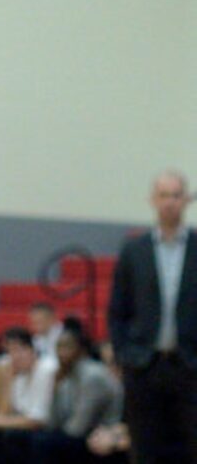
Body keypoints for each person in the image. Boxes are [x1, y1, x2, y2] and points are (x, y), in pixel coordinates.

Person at [108, 169, 197, 464]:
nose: (170, 202)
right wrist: (123, 354)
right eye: (163, 195)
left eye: (176, 195)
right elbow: (118, 309)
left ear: (187, 200)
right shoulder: (135, 250)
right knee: (145, 450)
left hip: (190, 364)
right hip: (145, 365)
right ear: (152, 200)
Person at [31, 323, 119, 461]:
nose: (61, 353)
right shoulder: (67, 375)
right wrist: (55, 387)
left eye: (67, 347)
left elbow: (78, 427)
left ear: (81, 350)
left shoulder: (92, 375)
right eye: (59, 347)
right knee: (24, 437)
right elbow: (54, 422)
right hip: (82, 435)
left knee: (43, 443)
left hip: (104, 435)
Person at [0, 327, 59, 464]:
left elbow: (37, 420)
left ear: (32, 350)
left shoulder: (46, 370)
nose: (14, 357)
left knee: (11, 435)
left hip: (51, 428)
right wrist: (6, 379)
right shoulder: (18, 373)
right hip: (28, 427)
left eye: (18, 350)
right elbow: (11, 410)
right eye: (9, 352)